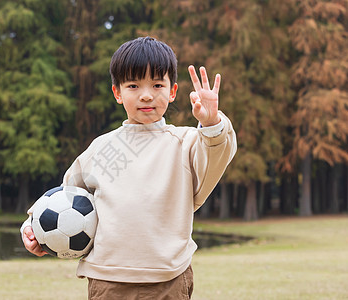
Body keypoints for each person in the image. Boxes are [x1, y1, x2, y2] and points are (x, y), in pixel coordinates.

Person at [21, 36, 237, 299]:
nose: (146, 94)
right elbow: (64, 195)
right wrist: (32, 227)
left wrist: (213, 122)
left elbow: (217, 153)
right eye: (133, 85)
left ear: (172, 91)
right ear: (117, 93)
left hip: (168, 279)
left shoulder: (186, 143)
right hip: (107, 279)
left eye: (157, 84)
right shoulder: (102, 148)